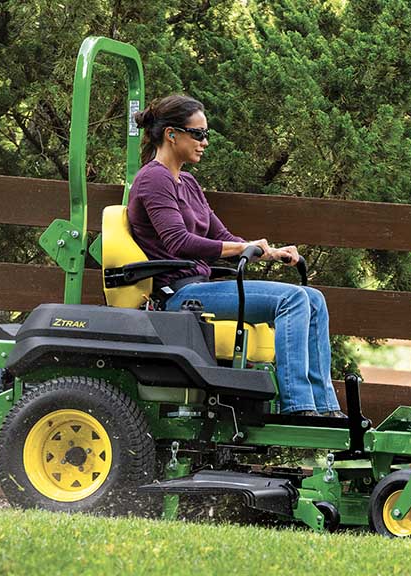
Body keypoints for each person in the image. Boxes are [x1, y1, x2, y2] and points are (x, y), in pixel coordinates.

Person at [127, 94, 345, 418]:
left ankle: (325, 408)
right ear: (171, 134)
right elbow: (177, 241)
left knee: (313, 298)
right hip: (180, 295)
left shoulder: (186, 181)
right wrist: (242, 249)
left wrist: (270, 252)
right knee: (294, 300)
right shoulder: (153, 178)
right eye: (198, 134)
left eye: (206, 134)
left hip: (201, 287)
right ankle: (298, 407)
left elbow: (222, 237)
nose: (205, 142)